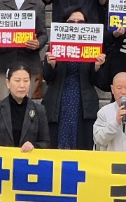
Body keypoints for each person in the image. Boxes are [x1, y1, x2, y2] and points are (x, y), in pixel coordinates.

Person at [43, 9, 106, 149]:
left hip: (83, 101)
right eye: (71, 21)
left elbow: (100, 82)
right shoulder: (55, 44)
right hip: (59, 100)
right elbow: (47, 77)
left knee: (81, 143)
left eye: (81, 22)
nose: (76, 24)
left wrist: (96, 67)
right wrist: (51, 65)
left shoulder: (93, 46)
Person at [0, 66, 49, 151]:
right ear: (8, 82)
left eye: (26, 81)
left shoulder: (39, 110)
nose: (22, 85)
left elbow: (46, 143)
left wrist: (34, 146)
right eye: (17, 80)